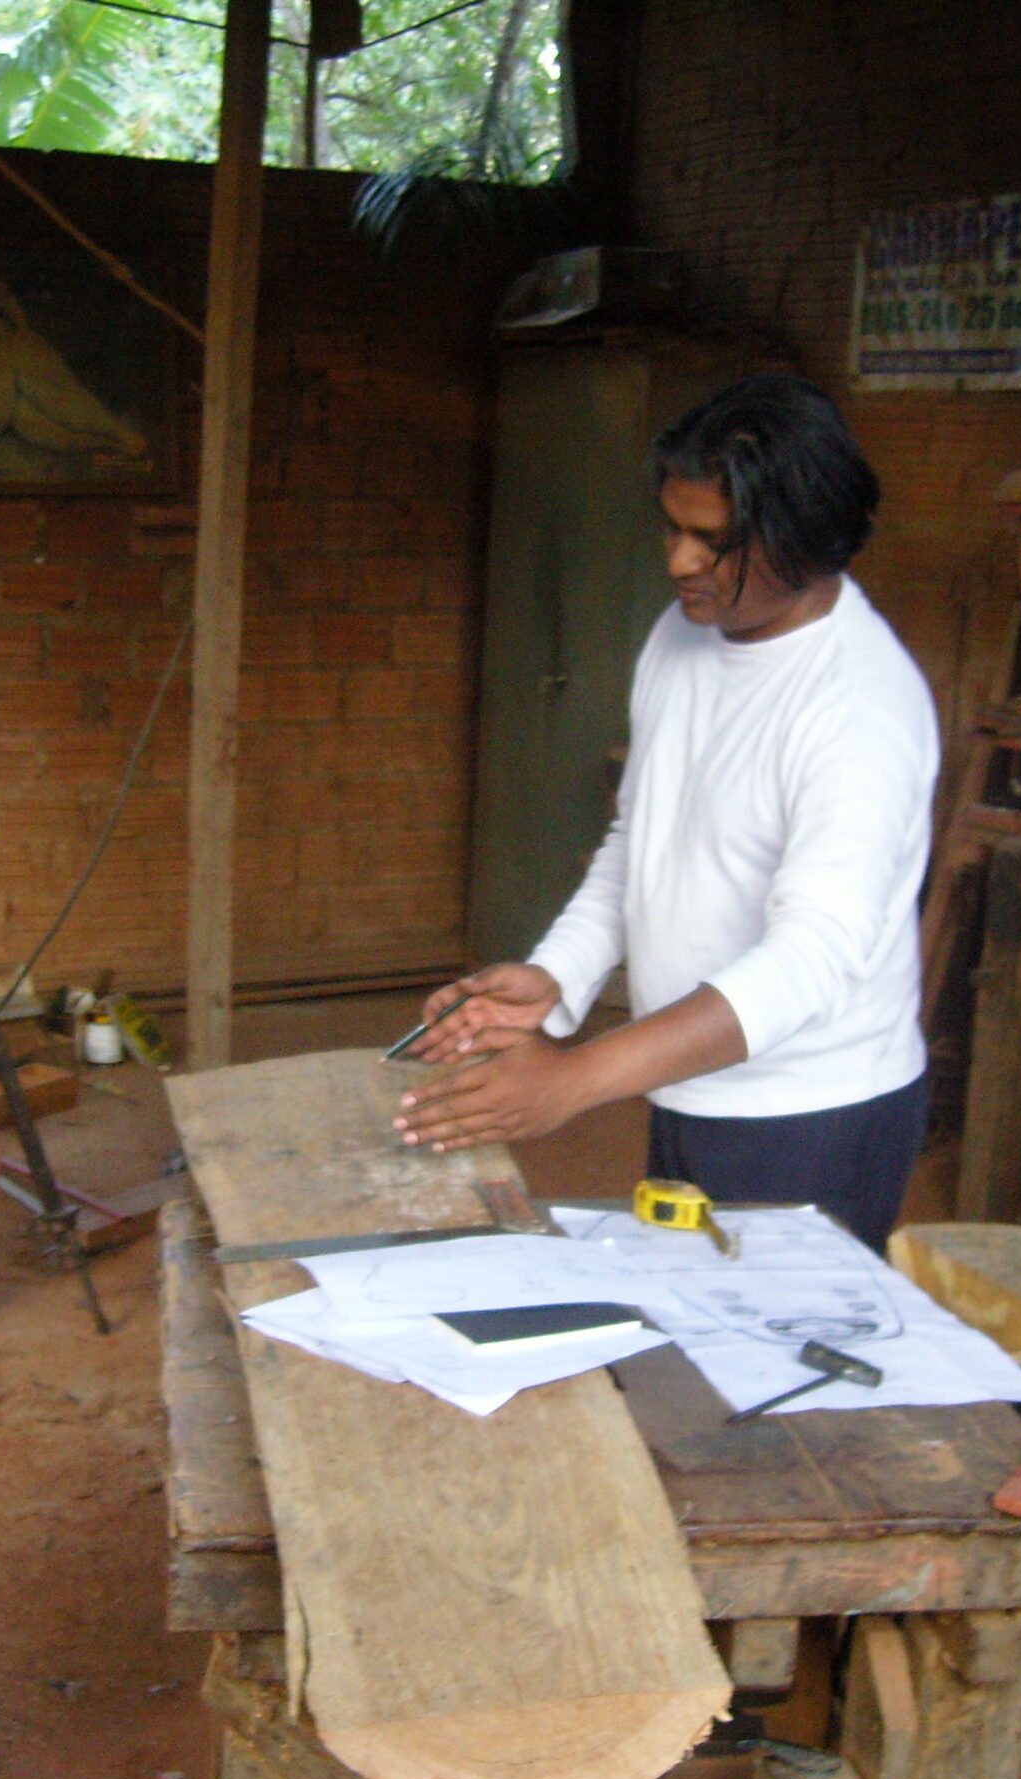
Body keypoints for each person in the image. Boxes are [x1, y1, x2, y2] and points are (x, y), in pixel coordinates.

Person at [396, 373, 938, 1247]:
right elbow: (636, 839)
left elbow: (808, 963)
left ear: (803, 539)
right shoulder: (683, 635)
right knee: (691, 1339)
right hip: (689, 1084)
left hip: (813, 1119)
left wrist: (574, 1080)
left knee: (773, 1369)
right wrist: (559, 979)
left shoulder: (858, 707)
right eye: (672, 527)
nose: (678, 562)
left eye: (711, 540)